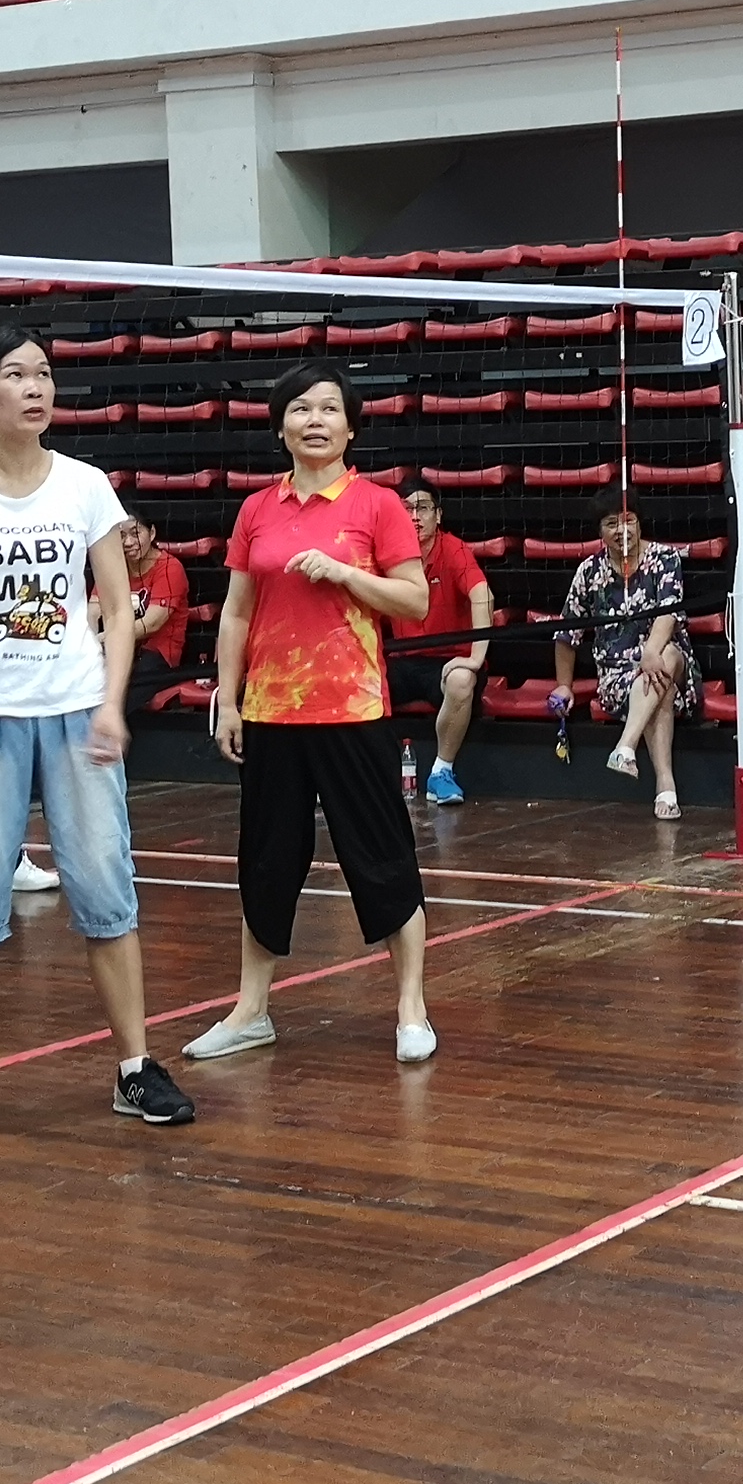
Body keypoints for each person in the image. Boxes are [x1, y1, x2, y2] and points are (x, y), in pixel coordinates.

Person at [0, 326, 192, 1141]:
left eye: (45, 374)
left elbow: (119, 607)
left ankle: (135, 1067)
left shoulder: (86, 486)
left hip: (75, 711)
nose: (36, 388)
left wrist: (111, 705)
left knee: (105, 886)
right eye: (16, 375)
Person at [194, 362, 436, 1066]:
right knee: (266, 863)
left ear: (351, 428)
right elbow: (236, 613)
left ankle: (412, 1008)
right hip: (271, 713)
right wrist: (229, 699)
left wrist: (347, 574)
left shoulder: (378, 505)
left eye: (330, 409)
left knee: (382, 858)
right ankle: (251, 1012)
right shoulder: (256, 510)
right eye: (300, 409)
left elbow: (415, 600)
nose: (315, 420)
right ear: (281, 428)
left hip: (353, 710)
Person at [551, 496, 698, 818]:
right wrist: (564, 685)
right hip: (617, 675)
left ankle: (625, 745)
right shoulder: (589, 571)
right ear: (599, 532)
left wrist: (650, 652)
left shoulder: (664, 558)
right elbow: (566, 633)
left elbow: (669, 614)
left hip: (667, 657)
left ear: (640, 523)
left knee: (667, 657)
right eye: (611, 524)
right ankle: (665, 786)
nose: (621, 530)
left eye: (628, 520)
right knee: (660, 688)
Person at [395, 483, 491, 802]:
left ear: (438, 515)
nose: (414, 517)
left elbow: (483, 594)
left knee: (462, 680)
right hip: (402, 658)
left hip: (448, 660)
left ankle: (441, 772)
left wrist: (476, 658)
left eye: (422, 508)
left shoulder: (453, 550)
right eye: (407, 509)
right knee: (349, 680)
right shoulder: (388, 555)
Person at [121, 518, 194, 674]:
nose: (128, 542)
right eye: (121, 535)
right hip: (120, 646)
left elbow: (152, 624)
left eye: (135, 533)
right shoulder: (115, 566)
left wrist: (107, 638)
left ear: (152, 532)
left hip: (157, 654)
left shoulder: (170, 567)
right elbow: (94, 609)